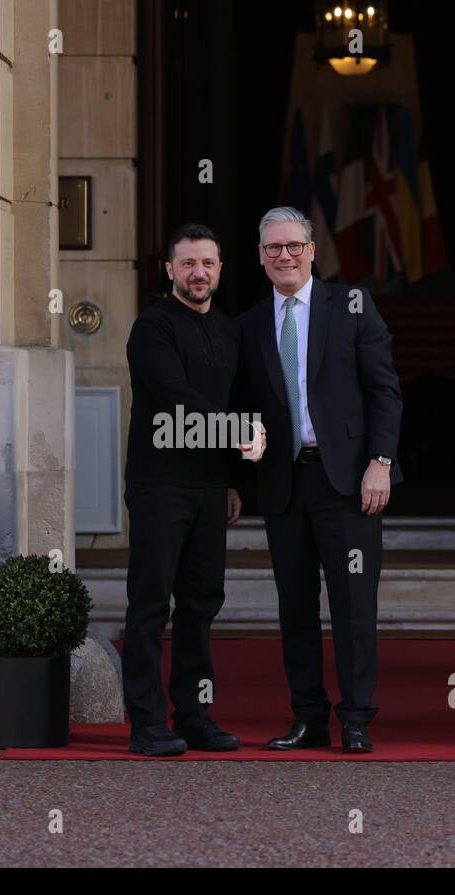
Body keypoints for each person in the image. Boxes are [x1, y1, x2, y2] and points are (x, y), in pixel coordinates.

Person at [232, 206, 403, 753]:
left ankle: (355, 718)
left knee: (354, 604)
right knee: (296, 605)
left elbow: (384, 390)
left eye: (293, 246)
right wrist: (236, 472)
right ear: (260, 258)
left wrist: (381, 461)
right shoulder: (249, 323)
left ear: (312, 250)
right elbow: (242, 409)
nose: (284, 255)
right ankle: (308, 718)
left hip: (348, 482)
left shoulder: (351, 306)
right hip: (284, 485)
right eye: (272, 248)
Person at [121, 223, 265, 756]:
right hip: (159, 484)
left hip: (208, 488)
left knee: (202, 603)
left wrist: (228, 479)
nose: (198, 273)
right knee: (151, 602)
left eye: (207, 263)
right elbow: (175, 400)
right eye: (187, 264)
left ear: (221, 268)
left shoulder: (227, 330)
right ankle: (146, 723)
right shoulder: (153, 328)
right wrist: (241, 434)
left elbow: (233, 396)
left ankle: (195, 715)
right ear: (170, 270)